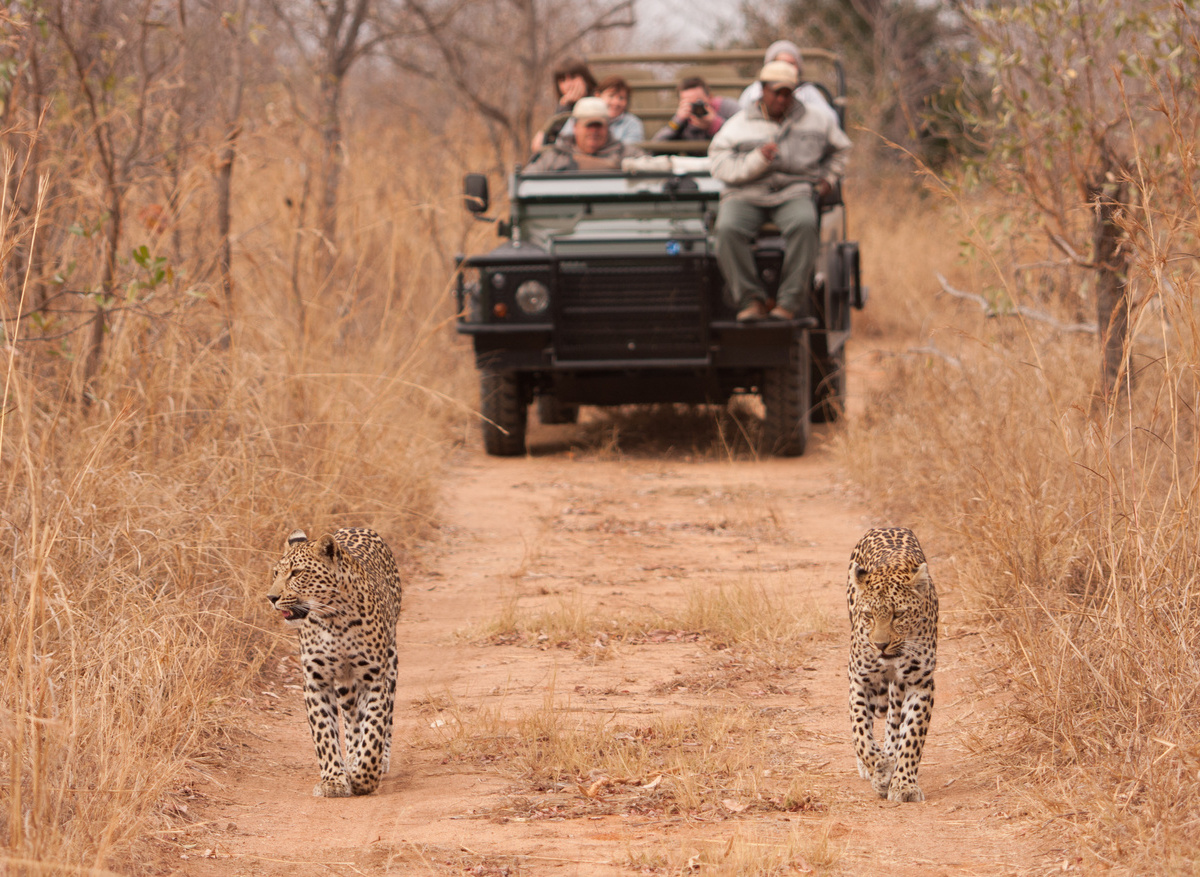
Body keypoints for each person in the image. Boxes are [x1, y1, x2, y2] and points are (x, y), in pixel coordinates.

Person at [709, 60, 852, 321]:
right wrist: (757, 159)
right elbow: (719, 165)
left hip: (793, 191)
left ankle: (789, 302)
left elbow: (842, 149)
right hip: (746, 192)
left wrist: (828, 180)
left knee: (805, 224)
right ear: (762, 90)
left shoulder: (817, 120)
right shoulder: (738, 124)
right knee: (727, 229)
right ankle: (750, 300)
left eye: (788, 92)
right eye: (776, 91)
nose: (781, 98)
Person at [737, 40, 840, 129]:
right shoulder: (754, 91)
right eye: (780, 62)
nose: (785, 68)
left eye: (791, 64)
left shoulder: (807, 91)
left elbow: (830, 120)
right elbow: (740, 120)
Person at [526, 97, 644, 172]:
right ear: (575, 127)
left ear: (607, 126)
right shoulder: (555, 156)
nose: (594, 131)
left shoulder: (626, 154)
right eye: (588, 125)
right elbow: (526, 182)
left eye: (598, 125)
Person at [532, 58, 598, 152]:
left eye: (573, 78)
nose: (569, 85)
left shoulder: (600, 101)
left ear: (585, 78)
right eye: (563, 80)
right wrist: (563, 109)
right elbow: (537, 146)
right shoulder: (563, 108)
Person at [560, 75, 646, 144]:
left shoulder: (632, 123)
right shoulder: (580, 116)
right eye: (611, 96)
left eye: (621, 98)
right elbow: (562, 143)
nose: (616, 102)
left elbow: (630, 152)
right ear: (598, 95)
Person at [652, 76, 740, 141]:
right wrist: (677, 121)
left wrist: (715, 124)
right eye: (689, 103)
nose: (694, 107)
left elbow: (744, 135)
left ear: (710, 97)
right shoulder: (681, 119)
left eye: (698, 102)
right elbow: (656, 146)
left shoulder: (727, 107)